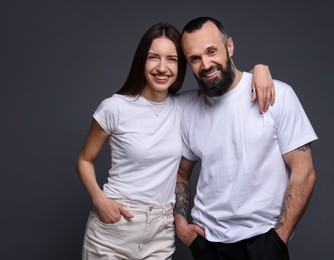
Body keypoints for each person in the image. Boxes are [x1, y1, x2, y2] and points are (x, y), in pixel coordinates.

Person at [76, 22, 274, 260]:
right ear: (142, 61)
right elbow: (84, 160)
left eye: (171, 59)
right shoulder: (115, 107)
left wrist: (260, 69)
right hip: (115, 228)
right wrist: (99, 199)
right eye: (153, 58)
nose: (162, 67)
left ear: (182, 66)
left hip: (161, 231)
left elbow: (230, 85)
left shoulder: (185, 106)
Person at [174, 17, 318, 260]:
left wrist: (279, 239)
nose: (206, 64)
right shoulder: (188, 109)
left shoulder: (278, 95)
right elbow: (181, 173)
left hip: (265, 242)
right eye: (195, 58)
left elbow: (304, 172)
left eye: (211, 51)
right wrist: (180, 223)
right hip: (208, 244)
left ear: (229, 46)